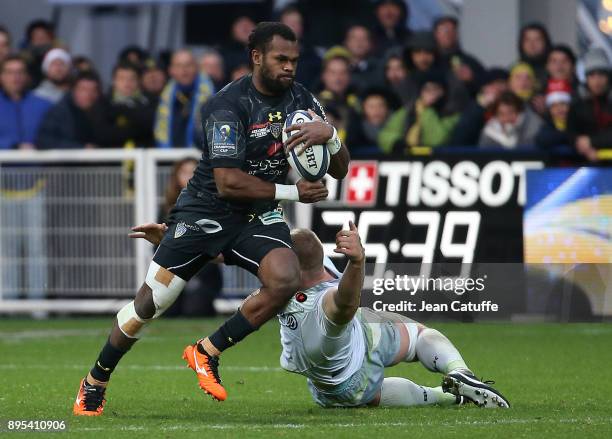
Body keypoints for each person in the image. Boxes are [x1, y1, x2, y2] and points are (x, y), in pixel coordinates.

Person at [73, 22, 350, 416]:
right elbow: (227, 183)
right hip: (205, 212)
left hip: (258, 214)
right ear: (257, 57)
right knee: (149, 307)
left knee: (285, 278)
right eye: (281, 59)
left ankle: (207, 351)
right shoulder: (227, 105)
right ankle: (94, 381)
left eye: (294, 60)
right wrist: (293, 192)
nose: (290, 67)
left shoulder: (302, 100)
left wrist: (332, 135)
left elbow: (339, 169)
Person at [130, 221, 510, 409]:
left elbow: (342, 304)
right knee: (411, 348)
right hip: (350, 356)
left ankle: (452, 386)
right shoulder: (318, 285)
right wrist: (358, 261)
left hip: (352, 355)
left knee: (405, 347)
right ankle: (455, 384)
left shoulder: (306, 281)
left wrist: (171, 242)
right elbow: (343, 301)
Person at [0, 54, 51, 304]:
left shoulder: (42, 105)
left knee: (36, 248)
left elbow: (52, 135)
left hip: (36, 185)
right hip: (3, 188)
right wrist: (13, 146)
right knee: (6, 251)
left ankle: (37, 304)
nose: (15, 77)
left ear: (26, 76)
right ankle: (7, 303)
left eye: (19, 71)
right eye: (10, 71)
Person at [159, 158, 222, 317]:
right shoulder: (166, 208)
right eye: (184, 172)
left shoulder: (214, 204)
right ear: (176, 176)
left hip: (203, 271)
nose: (188, 177)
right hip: (172, 271)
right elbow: (159, 245)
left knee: (195, 310)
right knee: (169, 312)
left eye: (193, 173)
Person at [378, 71, 459, 153]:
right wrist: (396, 143)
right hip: (406, 159)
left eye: (435, 89)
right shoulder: (408, 111)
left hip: (436, 160)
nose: (431, 93)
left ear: (444, 92)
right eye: (427, 89)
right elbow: (385, 135)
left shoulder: (452, 113)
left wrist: (427, 110)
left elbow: (436, 141)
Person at [154, 49, 214, 148]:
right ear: (171, 70)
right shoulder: (164, 95)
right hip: (169, 158)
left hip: (201, 157)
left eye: (188, 65)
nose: (184, 70)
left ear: (197, 67)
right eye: (178, 66)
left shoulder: (214, 94)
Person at [36, 70, 107, 149]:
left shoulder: (105, 112)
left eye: (93, 90)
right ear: (74, 91)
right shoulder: (59, 113)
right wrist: (80, 148)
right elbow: (44, 140)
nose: (88, 94)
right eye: (83, 89)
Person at [569, 48, 612, 162]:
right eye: (592, 75)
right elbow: (570, 133)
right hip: (584, 166)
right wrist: (582, 146)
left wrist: (591, 141)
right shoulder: (577, 105)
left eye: (601, 74)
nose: (597, 80)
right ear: (586, 78)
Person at [449, 68, 509, 146]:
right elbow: (460, 138)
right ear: (484, 87)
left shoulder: (510, 108)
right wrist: (481, 107)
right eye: (495, 84)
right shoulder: (470, 106)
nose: (500, 88)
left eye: (504, 84)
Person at [535, 79, 573, 151]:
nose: (559, 109)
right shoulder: (547, 124)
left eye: (563, 104)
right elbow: (542, 140)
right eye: (554, 106)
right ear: (550, 110)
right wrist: (568, 136)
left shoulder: (579, 122)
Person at [343, 24, 382, 92]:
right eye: (354, 38)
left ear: (370, 44)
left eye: (364, 38)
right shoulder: (337, 67)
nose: (359, 42)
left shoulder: (380, 68)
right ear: (346, 42)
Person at [516, 23, 552, 87]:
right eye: (527, 40)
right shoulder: (515, 71)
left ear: (545, 42)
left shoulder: (554, 68)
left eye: (537, 40)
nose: (532, 44)